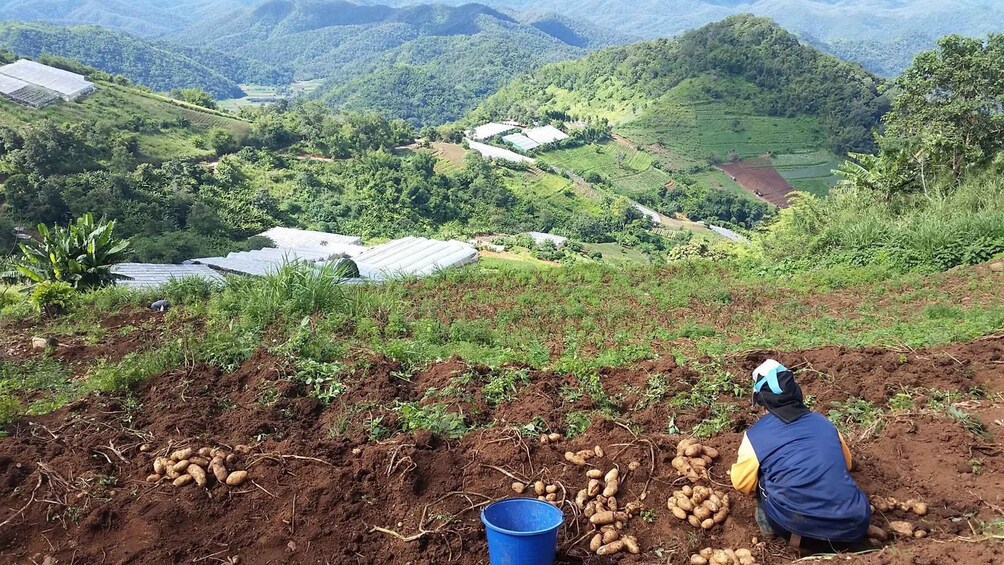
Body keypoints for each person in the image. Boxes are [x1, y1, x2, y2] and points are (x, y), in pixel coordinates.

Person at [730, 359, 870, 546]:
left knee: (762, 478)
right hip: (855, 527)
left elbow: (741, 483)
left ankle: (770, 526)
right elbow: (848, 464)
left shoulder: (756, 435)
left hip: (799, 532)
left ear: (762, 402)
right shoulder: (825, 424)